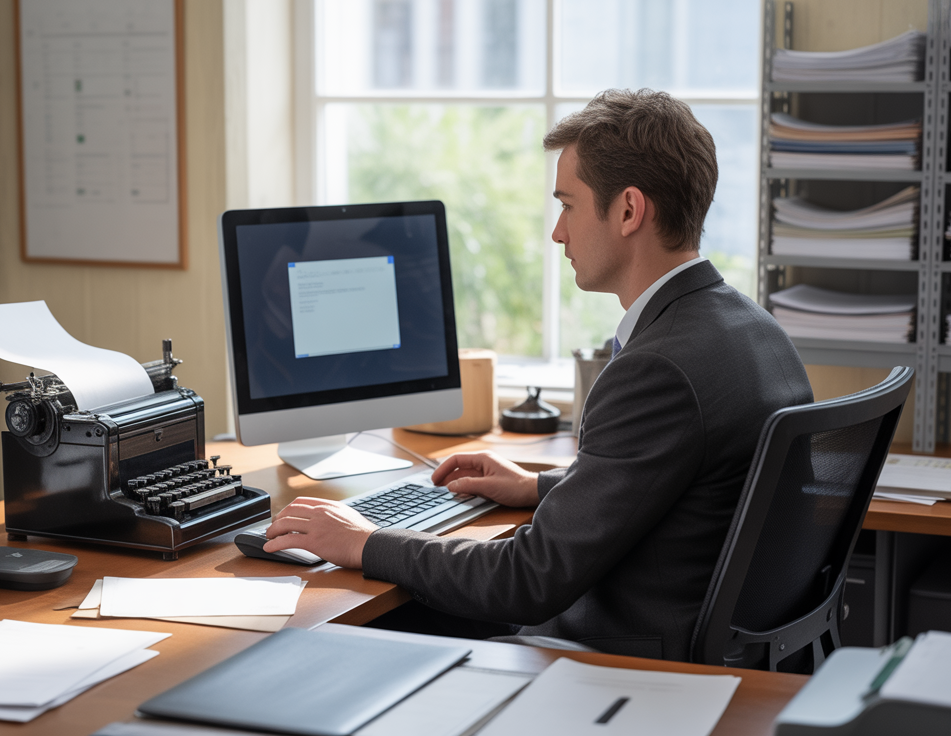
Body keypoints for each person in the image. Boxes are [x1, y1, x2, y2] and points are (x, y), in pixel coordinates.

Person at [262, 89, 814, 660]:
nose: (558, 232)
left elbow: (526, 580)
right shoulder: (752, 330)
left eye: (568, 205)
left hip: (627, 663)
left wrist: (362, 541)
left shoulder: (656, 370)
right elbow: (681, 489)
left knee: (340, 638)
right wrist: (536, 485)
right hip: (715, 646)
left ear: (628, 210)